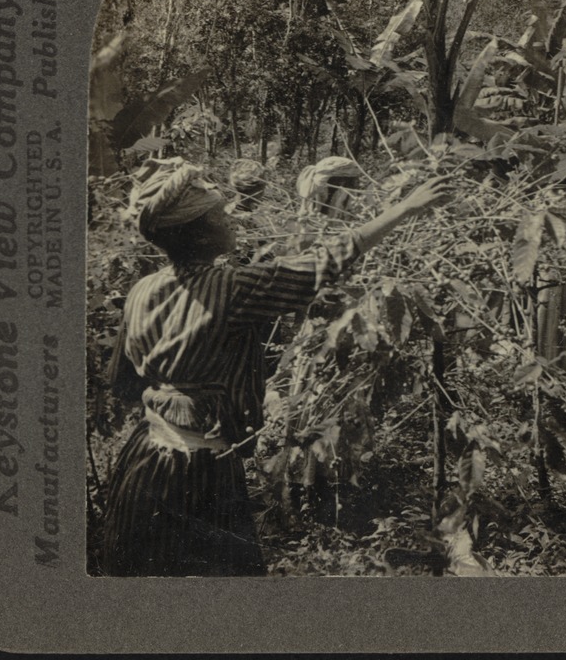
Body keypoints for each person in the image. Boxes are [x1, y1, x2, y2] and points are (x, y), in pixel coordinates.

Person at [100, 158, 453, 576]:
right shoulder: (231, 287)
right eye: (217, 213)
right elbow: (321, 264)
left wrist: (174, 385)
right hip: (198, 471)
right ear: (196, 234)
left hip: (144, 458)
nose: (228, 216)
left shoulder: (141, 290)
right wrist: (403, 209)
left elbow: (121, 381)